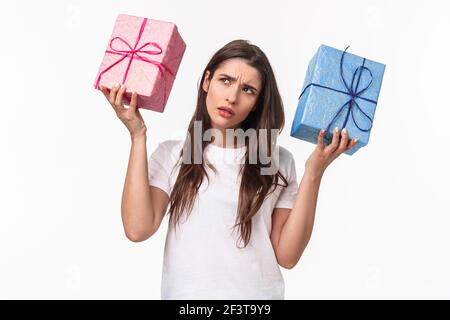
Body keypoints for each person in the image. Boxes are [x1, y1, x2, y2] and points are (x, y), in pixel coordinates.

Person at [100, 39, 357, 300]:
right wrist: (138, 135)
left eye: (247, 89)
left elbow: (287, 257)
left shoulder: (276, 161)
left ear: (257, 102)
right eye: (225, 80)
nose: (232, 97)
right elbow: (137, 229)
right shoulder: (174, 153)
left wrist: (314, 172)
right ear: (206, 81)